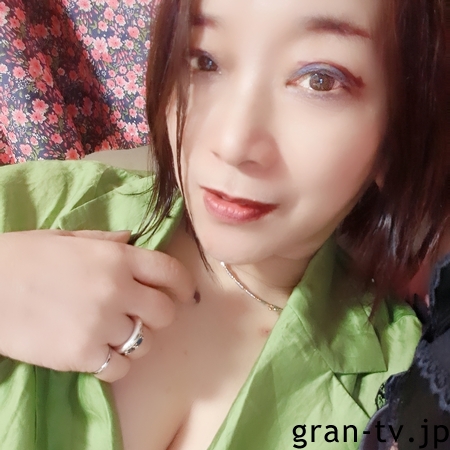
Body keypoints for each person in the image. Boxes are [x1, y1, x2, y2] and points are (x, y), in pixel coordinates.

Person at [0, 0, 449, 449]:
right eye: (203, 60)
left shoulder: (407, 391)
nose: (233, 144)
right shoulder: (31, 210)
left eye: (320, 80)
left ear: (397, 131)